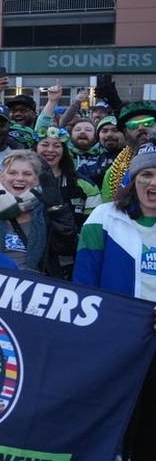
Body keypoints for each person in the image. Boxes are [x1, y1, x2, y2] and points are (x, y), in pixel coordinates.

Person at [74, 142, 156, 460]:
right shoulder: (104, 217)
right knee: (117, 416)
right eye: (146, 174)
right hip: (118, 339)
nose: (153, 183)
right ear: (133, 180)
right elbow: (85, 281)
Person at [0, 150, 75, 274]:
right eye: (12, 173)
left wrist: (57, 209)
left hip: (33, 286)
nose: (19, 178)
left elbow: (66, 247)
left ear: (36, 180)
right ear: (2, 178)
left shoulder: (46, 209)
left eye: (27, 174)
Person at [102, 101, 156, 200]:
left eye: (148, 123)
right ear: (125, 133)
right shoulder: (113, 172)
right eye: (133, 125)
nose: (141, 128)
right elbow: (108, 209)